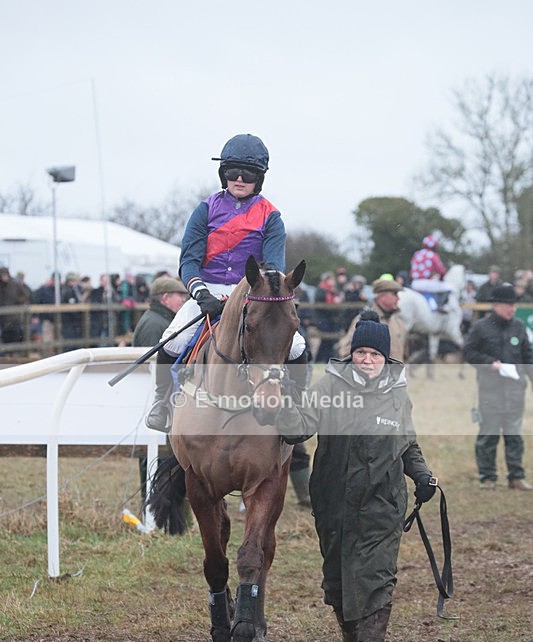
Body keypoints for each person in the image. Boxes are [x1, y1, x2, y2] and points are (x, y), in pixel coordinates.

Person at [275, 310, 437, 642]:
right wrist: (278, 404)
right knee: (337, 579)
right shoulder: (329, 387)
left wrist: (423, 475)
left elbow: (407, 442)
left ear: (386, 357)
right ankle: (350, 637)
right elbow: (299, 429)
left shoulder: (398, 393)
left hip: (383, 501)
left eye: (374, 355)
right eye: (362, 353)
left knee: (377, 578)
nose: (367, 360)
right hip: (334, 499)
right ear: (352, 354)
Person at [145, 133, 306, 432]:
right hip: (207, 290)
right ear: (223, 174)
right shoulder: (204, 210)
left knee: (297, 346)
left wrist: (252, 294)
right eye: (233, 172)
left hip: (251, 293)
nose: (240, 179)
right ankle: (162, 401)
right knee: (172, 340)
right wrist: (200, 292)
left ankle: (294, 405)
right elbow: (189, 261)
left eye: (248, 173)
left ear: (260, 178)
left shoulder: (271, 216)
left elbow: (272, 268)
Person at [463, 284, 533, 491]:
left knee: (514, 435)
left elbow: (528, 355)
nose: (512, 309)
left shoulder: (519, 327)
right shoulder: (481, 327)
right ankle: (488, 477)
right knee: (488, 435)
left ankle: (516, 477)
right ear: (496, 305)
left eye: (514, 305)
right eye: (508, 305)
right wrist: (488, 363)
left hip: (515, 391)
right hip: (489, 391)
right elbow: (468, 352)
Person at [133, 276, 188, 502]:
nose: (184, 302)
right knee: (157, 456)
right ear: (166, 298)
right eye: (180, 297)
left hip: (161, 397)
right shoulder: (157, 324)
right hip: (156, 398)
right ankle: (156, 501)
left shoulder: (158, 319)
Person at [336, 277, 408, 362]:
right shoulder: (363, 321)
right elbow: (345, 352)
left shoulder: (399, 324)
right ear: (382, 295)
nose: (398, 298)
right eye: (394, 294)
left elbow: (405, 357)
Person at [0, 265, 29, 344]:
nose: (4, 277)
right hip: (2, 318)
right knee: (5, 338)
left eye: (5, 275)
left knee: (15, 337)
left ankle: (14, 353)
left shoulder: (14, 284)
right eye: (2, 275)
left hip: (14, 317)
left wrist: (18, 301)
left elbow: (25, 295)